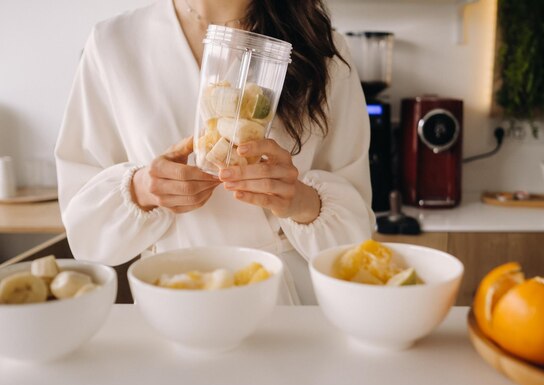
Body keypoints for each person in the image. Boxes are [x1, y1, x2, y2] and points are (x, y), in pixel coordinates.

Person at [54, 0, 374, 304]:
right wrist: (142, 189)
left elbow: (357, 238)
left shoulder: (320, 47)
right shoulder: (114, 44)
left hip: (288, 306)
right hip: (173, 295)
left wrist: (300, 201)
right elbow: (85, 234)